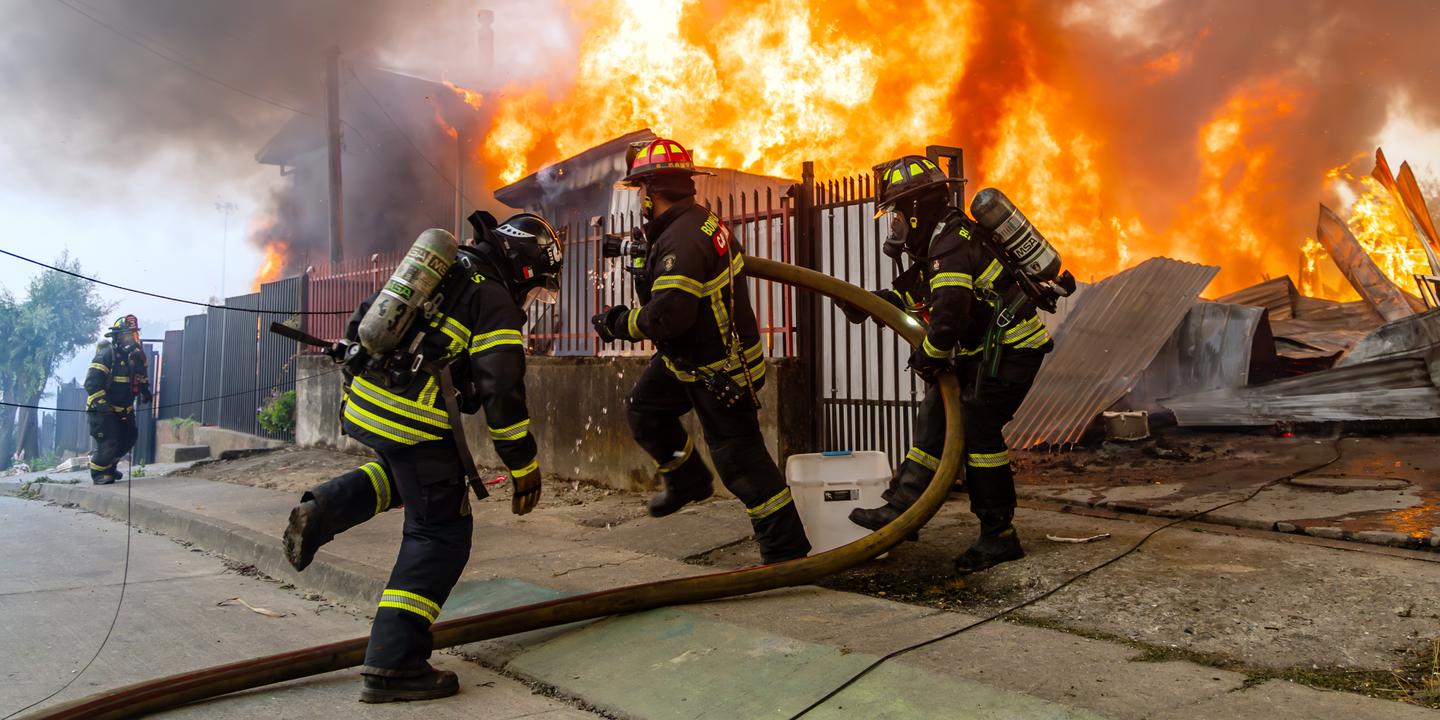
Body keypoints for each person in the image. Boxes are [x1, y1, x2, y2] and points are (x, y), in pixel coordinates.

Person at [282, 214, 562, 703]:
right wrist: (522, 463)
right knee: (440, 534)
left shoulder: (444, 267)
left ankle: (323, 509)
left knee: (410, 477)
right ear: (523, 268)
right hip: (412, 419)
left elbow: (368, 315)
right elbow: (501, 389)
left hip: (365, 402)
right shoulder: (493, 298)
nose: (531, 297)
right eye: (535, 286)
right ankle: (394, 664)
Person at [592, 137, 810, 564]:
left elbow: (668, 316)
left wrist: (618, 323)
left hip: (720, 370)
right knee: (645, 409)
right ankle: (688, 480)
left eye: (641, 191)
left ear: (651, 191)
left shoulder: (682, 240)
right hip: (686, 360)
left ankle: (787, 555)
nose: (640, 200)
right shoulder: (696, 223)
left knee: (741, 464)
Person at [843, 155, 1052, 574]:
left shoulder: (951, 240)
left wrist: (930, 356)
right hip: (985, 353)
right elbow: (918, 296)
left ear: (916, 209)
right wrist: (866, 303)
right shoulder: (938, 241)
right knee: (936, 413)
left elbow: (950, 312)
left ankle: (999, 535)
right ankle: (902, 510)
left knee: (977, 430)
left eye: (897, 213)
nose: (894, 224)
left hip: (1011, 350)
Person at [83, 315, 151, 484]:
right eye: (128, 334)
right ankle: (98, 474)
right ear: (117, 336)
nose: (132, 338)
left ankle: (109, 469)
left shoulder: (135, 358)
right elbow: (91, 383)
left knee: (129, 438)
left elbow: (140, 377)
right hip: (102, 410)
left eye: (134, 334)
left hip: (125, 409)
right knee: (109, 441)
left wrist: (145, 391)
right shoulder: (107, 355)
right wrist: (103, 404)